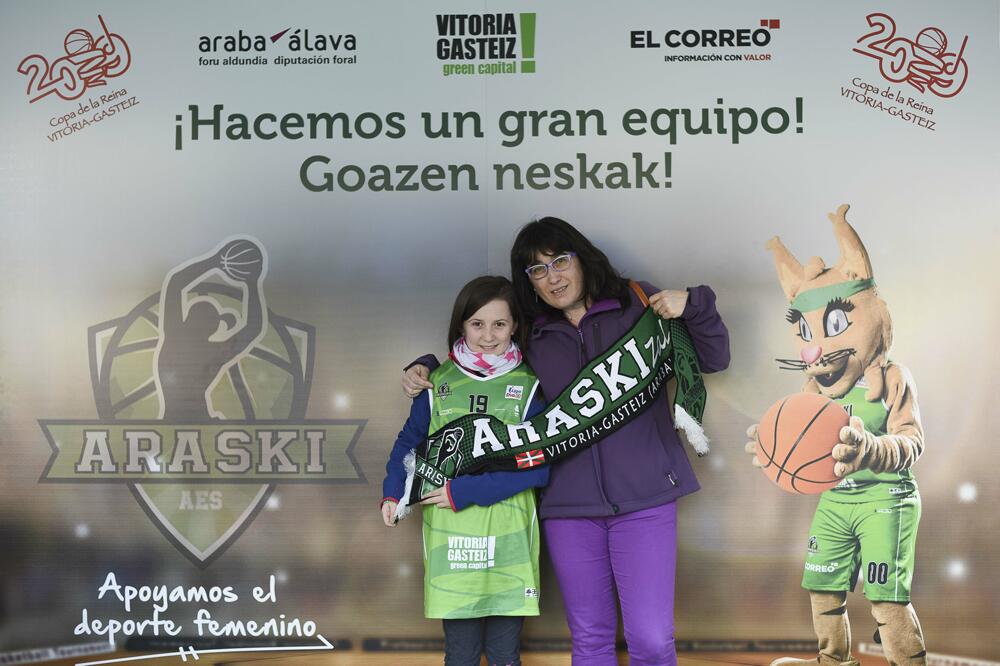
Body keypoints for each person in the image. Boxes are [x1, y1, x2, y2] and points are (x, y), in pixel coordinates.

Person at [403, 217, 730, 666]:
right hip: (567, 507)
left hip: (647, 498)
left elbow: (714, 357)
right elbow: (479, 360)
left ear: (582, 257)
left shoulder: (636, 304)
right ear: (529, 283)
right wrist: (423, 366)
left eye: (560, 260)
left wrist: (694, 304)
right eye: (537, 270)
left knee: (652, 641)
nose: (552, 276)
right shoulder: (531, 337)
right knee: (590, 641)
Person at [382, 275, 550, 666]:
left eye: (499, 324)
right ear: (461, 325)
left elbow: (540, 468)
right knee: (460, 656)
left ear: (515, 327)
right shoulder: (435, 382)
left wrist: (468, 491)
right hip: (452, 544)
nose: (488, 336)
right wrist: (394, 493)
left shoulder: (529, 386)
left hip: (510, 542)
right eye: (477, 324)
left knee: (506, 655)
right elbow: (409, 445)